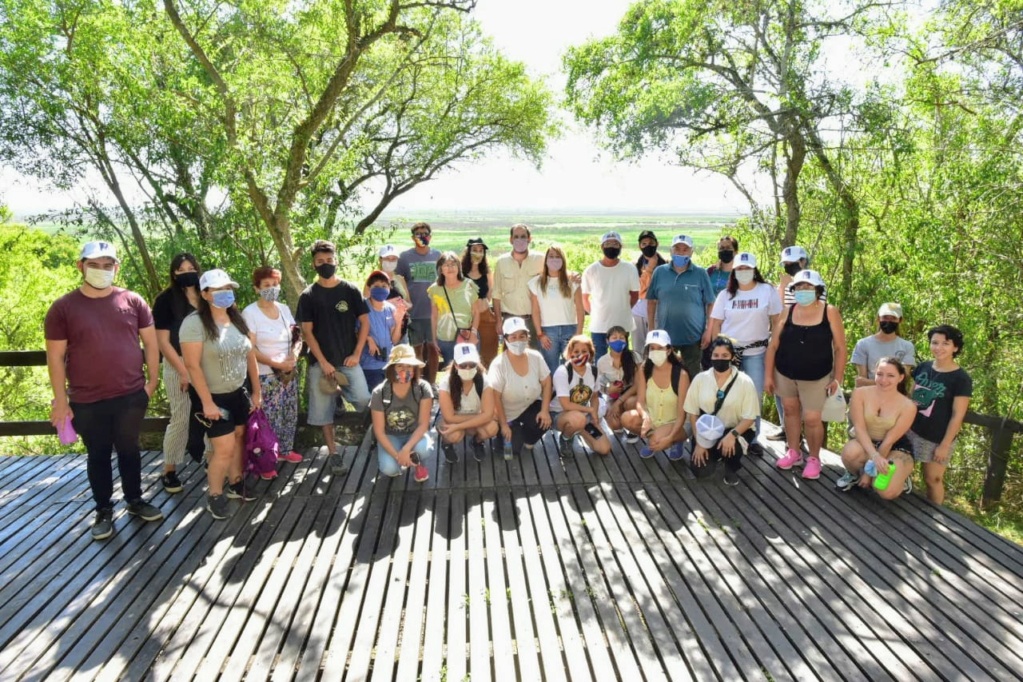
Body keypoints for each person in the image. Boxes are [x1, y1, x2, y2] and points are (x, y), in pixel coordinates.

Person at [45, 241, 164, 540]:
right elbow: (55, 357)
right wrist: (62, 401)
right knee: (97, 454)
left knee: (129, 449)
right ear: (80, 265)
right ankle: (103, 510)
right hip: (86, 399)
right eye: (94, 264)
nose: (101, 270)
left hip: (130, 395)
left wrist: (151, 383)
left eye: (107, 264)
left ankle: (135, 500)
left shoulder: (133, 301)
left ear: (116, 267)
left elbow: (151, 344)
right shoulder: (63, 308)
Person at [180, 268, 262, 520]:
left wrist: (257, 391)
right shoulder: (194, 324)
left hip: (239, 392)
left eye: (227, 289)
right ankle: (215, 494)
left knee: (239, 437)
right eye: (218, 290)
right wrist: (206, 402)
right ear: (205, 294)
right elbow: (192, 365)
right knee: (223, 448)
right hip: (213, 397)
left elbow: (251, 356)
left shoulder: (237, 319)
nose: (224, 294)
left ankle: (236, 481)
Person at [296, 240, 371, 474]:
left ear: (335, 260)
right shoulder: (308, 296)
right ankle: (334, 453)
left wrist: (357, 353)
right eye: (320, 262)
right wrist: (324, 362)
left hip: (348, 359)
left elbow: (365, 322)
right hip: (321, 363)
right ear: (313, 264)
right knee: (322, 413)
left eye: (329, 260)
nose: (325, 264)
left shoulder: (349, 290)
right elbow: (307, 333)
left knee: (362, 400)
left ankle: (339, 394)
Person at [765, 269, 847, 480]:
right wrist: (768, 375)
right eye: (799, 287)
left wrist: (838, 378)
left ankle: (814, 458)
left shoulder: (830, 312)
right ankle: (793, 452)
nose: (803, 291)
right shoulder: (787, 311)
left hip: (817, 375)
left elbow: (840, 348)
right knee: (790, 411)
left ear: (818, 290)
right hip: (785, 372)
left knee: (812, 418)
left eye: (808, 287)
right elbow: (773, 345)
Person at [707, 252, 782, 456]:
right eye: (740, 269)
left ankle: (752, 437)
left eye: (747, 268)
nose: (744, 272)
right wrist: (718, 349)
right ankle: (724, 432)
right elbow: (716, 324)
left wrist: (775, 345)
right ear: (734, 271)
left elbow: (777, 322)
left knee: (754, 396)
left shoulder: (767, 291)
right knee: (727, 393)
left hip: (757, 352)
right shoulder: (725, 295)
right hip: (730, 353)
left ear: (754, 270)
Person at [241, 266, 304, 469]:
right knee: (269, 418)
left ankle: (285, 451)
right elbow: (249, 348)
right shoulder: (250, 313)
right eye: (266, 285)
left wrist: (293, 355)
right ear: (257, 288)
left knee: (289, 413)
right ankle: (267, 459)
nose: (272, 289)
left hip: (288, 373)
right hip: (266, 375)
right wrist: (276, 364)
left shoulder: (284, 309)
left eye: (275, 285)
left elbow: (297, 336)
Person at [151, 252, 201, 493]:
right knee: (181, 417)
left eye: (191, 267)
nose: (187, 272)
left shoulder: (208, 294)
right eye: (181, 269)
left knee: (213, 413)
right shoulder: (164, 300)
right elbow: (162, 342)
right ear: (173, 273)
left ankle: (215, 463)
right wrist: (183, 371)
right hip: (177, 363)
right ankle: (169, 469)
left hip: (206, 362)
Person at [906, 325, 972, 505]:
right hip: (911, 430)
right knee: (900, 469)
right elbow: (910, 398)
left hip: (938, 437)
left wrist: (944, 445)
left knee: (932, 479)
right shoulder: (923, 367)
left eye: (945, 343)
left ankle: (935, 516)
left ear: (955, 347)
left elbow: (958, 415)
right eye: (935, 342)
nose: (939, 347)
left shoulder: (961, 379)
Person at [684, 337, 760, 486]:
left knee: (732, 447)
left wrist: (732, 435)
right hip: (706, 432)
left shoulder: (745, 382)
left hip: (735, 429)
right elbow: (692, 413)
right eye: (716, 355)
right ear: (710, 356)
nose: (720, 359)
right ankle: (717, 454)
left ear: (732, 356)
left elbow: (750, 418)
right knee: (701, 471)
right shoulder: (700, 379)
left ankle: (731, 467)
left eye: (725, 356)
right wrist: (699, 442)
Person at [838, 357, 917, 498]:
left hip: (894, 447)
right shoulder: (860, 393)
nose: (883, 380)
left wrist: (870, 473)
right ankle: (856, 474)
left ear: (901, 378)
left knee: (884, 491)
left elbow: (888, 441)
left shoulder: (908, 406)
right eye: (880, 374)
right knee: (850, 453)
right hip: (867, 442)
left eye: (890, 375)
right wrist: (874, 458)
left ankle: (901, 477)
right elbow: (860, 428)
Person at [646, 234, 715, 379]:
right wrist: (651, 329)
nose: (681, 252)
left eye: (685, 249)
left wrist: (708, 331)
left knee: (693, 377)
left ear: (691, 252)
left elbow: (710, 303)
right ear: (671, 251)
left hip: (693, 337)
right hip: (665, 338)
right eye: (677, 249)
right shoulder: (660, 272)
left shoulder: (700, 273)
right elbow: (651, 301)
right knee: (665, 376)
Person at [488, 317, 553, 459]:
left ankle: (527, 438)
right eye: (513, 337)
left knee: (546, 420)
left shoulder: (536, 357)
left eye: (522, 336)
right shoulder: (498, 364)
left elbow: (547, 382)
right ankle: (512, 431)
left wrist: (544, 410)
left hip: (529, 406)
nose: (518, 340)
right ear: (505, 339)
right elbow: (496, 398)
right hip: (506, 413)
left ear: (527, 337)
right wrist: (504, 424)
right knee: (511, 451)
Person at [621, 330, 691, 461]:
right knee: (626, 418)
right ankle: (656, 438)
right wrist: (645, 416)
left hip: (676, 421)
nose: (655, 351)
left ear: (669, 350)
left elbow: (682, 415)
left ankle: (675, 440)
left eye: (660, 348)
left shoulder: (681, 374)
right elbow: (640, 401)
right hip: (654, 417)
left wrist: (670, 438)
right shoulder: (644, 369)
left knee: (657, 441)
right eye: (652, 348)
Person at [370, 344, 434, 482]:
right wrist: (399, 455)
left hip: (414, 432)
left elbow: (423, 424)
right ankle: (399, 457)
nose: (405, 370)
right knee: (390, 469)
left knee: (424, 449)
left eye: (409, 366)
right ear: (392, 368)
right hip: (390, 435)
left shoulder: (423, 388)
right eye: (400, 366)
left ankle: (417, 461)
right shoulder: (379, 393)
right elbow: (379, 431)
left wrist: (406, 449)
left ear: (415, 368)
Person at [582, 230, 640, 360]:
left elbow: (635, 295)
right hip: (599, 326)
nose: (611, 247)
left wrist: (623, 308)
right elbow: (584, 298)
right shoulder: (591, 270)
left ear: (620, 247)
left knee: (623, 360)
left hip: (622, 324)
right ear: (602, 247)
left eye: (615, 244)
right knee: (599, 360)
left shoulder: (629, 269)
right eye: (608, 244)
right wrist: (596, 313)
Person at [437, 343, 499, 463]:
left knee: (492, 429)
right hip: (460, 421)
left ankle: (477, 442)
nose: (468, 368)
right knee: (453, 435)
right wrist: (481, 417)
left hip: (461, 422)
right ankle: (446, 444)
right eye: (463, 365)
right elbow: (449, 417)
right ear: (455, 365)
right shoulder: (446, 383)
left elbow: (488, 415)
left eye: (472, 364)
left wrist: (460, 425)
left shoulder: (485, 381)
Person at [528, 244, 584, 374]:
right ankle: (552, 394)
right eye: (551, 256)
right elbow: (535, 311)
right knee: (550, 369)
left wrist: (578, 334)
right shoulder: (536, 282)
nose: (554, 259)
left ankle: (570, 393)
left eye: (558, 257)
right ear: (546, 260)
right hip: (548, 332)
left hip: (570, 329)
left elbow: (580, 309)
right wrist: (540, 334)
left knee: (571, 368)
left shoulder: (572, 281)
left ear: (563, 260)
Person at [553, 335, 611, 457]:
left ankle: (579, 430)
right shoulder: (563, 372)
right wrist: (590, 410)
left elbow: (594, 397)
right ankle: (566, 438)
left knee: (604, 448)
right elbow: (566, 405)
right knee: (578, 419)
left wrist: (594, 414)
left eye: (584, 351)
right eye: (576, 352)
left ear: (590, 353)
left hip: (583, 416)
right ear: (569, 353)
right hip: (559, 414)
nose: (580, 355)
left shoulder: (594, 372)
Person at [491, 223, 544, 348]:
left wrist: (572, 275)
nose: (519, 240)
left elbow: (556, 274)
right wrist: (499, 321)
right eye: (516, 237)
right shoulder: (501, 262)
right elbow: (496, 294)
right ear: (511, 240)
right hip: (510, 319)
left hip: (533, 320)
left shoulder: (540, 259)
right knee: (510, 356)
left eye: (523, 236)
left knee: (533, 357)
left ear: (529, 239)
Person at [428, 251, 480, 366]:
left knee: (471, 369)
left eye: (453, 264)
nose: (450, 268)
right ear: (440, 269)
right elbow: (434, 315)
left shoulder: (469, 285)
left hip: (467, 335)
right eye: (446, 265)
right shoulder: (434, 289)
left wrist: (474, 334)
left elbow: (476, 312)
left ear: (459, 267)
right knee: (451, 372)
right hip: (445, 339)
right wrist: (434, 339)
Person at [395, 222, 441, 348]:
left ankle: (432, 369)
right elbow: (398, 281)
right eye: (418, 234)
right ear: (412, 237)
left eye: (425, 234)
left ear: (430, 237)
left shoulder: (438, 255)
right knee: (416, 350)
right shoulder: (404, 257)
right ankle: (417, 369)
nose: (422, 237)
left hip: (434, 311)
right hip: (413, 312)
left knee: (434, 349)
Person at [359, 269, 404, 392]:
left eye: (384, 286)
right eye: (376, 286)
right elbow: (354, 331)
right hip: (369, 365)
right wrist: (368, 338)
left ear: (389, 288)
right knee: (375, 399)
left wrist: (399, 320)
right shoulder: (362, 307)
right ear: (369, 288)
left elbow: (394, 340)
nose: (380, 288)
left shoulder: (390, 309)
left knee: (388, 397)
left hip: (388, 363)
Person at [851, 302, 916, 387]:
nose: (888, 321)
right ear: (878, 318)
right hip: (869, 396)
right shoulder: (863, 344)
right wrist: (890, 383)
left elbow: (902, 381)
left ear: (900, 320)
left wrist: (871, 382)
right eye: (885, 317)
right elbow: (861, 382)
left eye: (893, 318)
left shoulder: (907, 346)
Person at [597, 325, 641, 438]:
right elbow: (599, 386)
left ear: (626, 340)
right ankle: (624, 421)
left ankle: (634, 427)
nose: (618, 340)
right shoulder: (602, 362)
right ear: (607, 341)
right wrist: (607, 389)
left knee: (629, 403)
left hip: (633, 394)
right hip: (614, 396)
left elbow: (638, 384)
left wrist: (619, 402)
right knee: (614, 425)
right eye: (614, 337)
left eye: (622, 337)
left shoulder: (634, 357)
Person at [463, 237, 499, 366]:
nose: (478, 253)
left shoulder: (487, 272)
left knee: (488, 356)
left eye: (480, 250)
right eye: (474, 250)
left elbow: (491, 293)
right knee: (468, 356)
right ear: (468, 251)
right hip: (467, 320)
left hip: (485, 318)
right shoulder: (461, 272)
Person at [632, 230, 667, 345]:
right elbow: (639, 290)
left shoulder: (666, 265)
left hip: (659, 313)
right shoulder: (634, 266)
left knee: (657, 347)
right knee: (638, 348)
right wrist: (649, 270)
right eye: (644, 244)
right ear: (639, 246)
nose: (648, 246)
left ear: (657, 243)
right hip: (638, 313)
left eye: (651, 242)